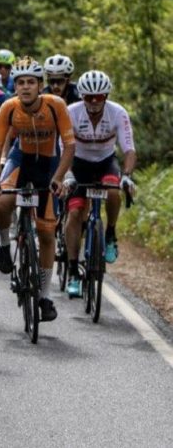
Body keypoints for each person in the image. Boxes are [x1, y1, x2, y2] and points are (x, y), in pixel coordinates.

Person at [0, 57, 75, 323]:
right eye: (20, 82)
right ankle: (3, 244)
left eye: (31, 83)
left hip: (49, 165)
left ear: (40, 85)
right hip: (20, 160)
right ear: (15, 85)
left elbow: (69, 146)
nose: (25, 87)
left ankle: (45, 296)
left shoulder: (56, 105)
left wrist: (59, 177)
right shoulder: (9, 107)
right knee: (1, 203)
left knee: (47, 233)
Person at [63, 71, 136, 296]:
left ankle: (110, 234)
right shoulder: (71, 112)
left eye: (99, 96)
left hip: (106, 162)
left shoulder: (118, 113)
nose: (94, 102)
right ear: (82, 96)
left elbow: (129, 148)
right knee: (75, 214)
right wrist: (66, 175)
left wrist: (127, 175)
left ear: (106, 95)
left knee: (114, 192)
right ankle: (73, 271)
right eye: (89, 97)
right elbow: (62, 147)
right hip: (78, 164)